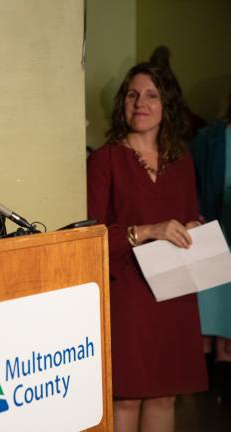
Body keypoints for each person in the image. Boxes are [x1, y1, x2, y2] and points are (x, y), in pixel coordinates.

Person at [87, 62, 207, 432]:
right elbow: (90, 237)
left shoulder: (182, 161)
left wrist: (193, 227)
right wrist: (147, 231)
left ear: (166, 104)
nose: (140, 103)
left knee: (164, 396)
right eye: (132, 94)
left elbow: (190, 216)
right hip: (128, 294)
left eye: (152, 95)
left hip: (174, 292)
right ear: (123, 103)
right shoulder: (105, 158)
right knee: (126, 397)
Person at [189, 89, 231, 407]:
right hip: (213, 233)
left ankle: (223, 387)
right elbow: (190, 180)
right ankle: (203, 391)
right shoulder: (209, 139)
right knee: (210, 312)